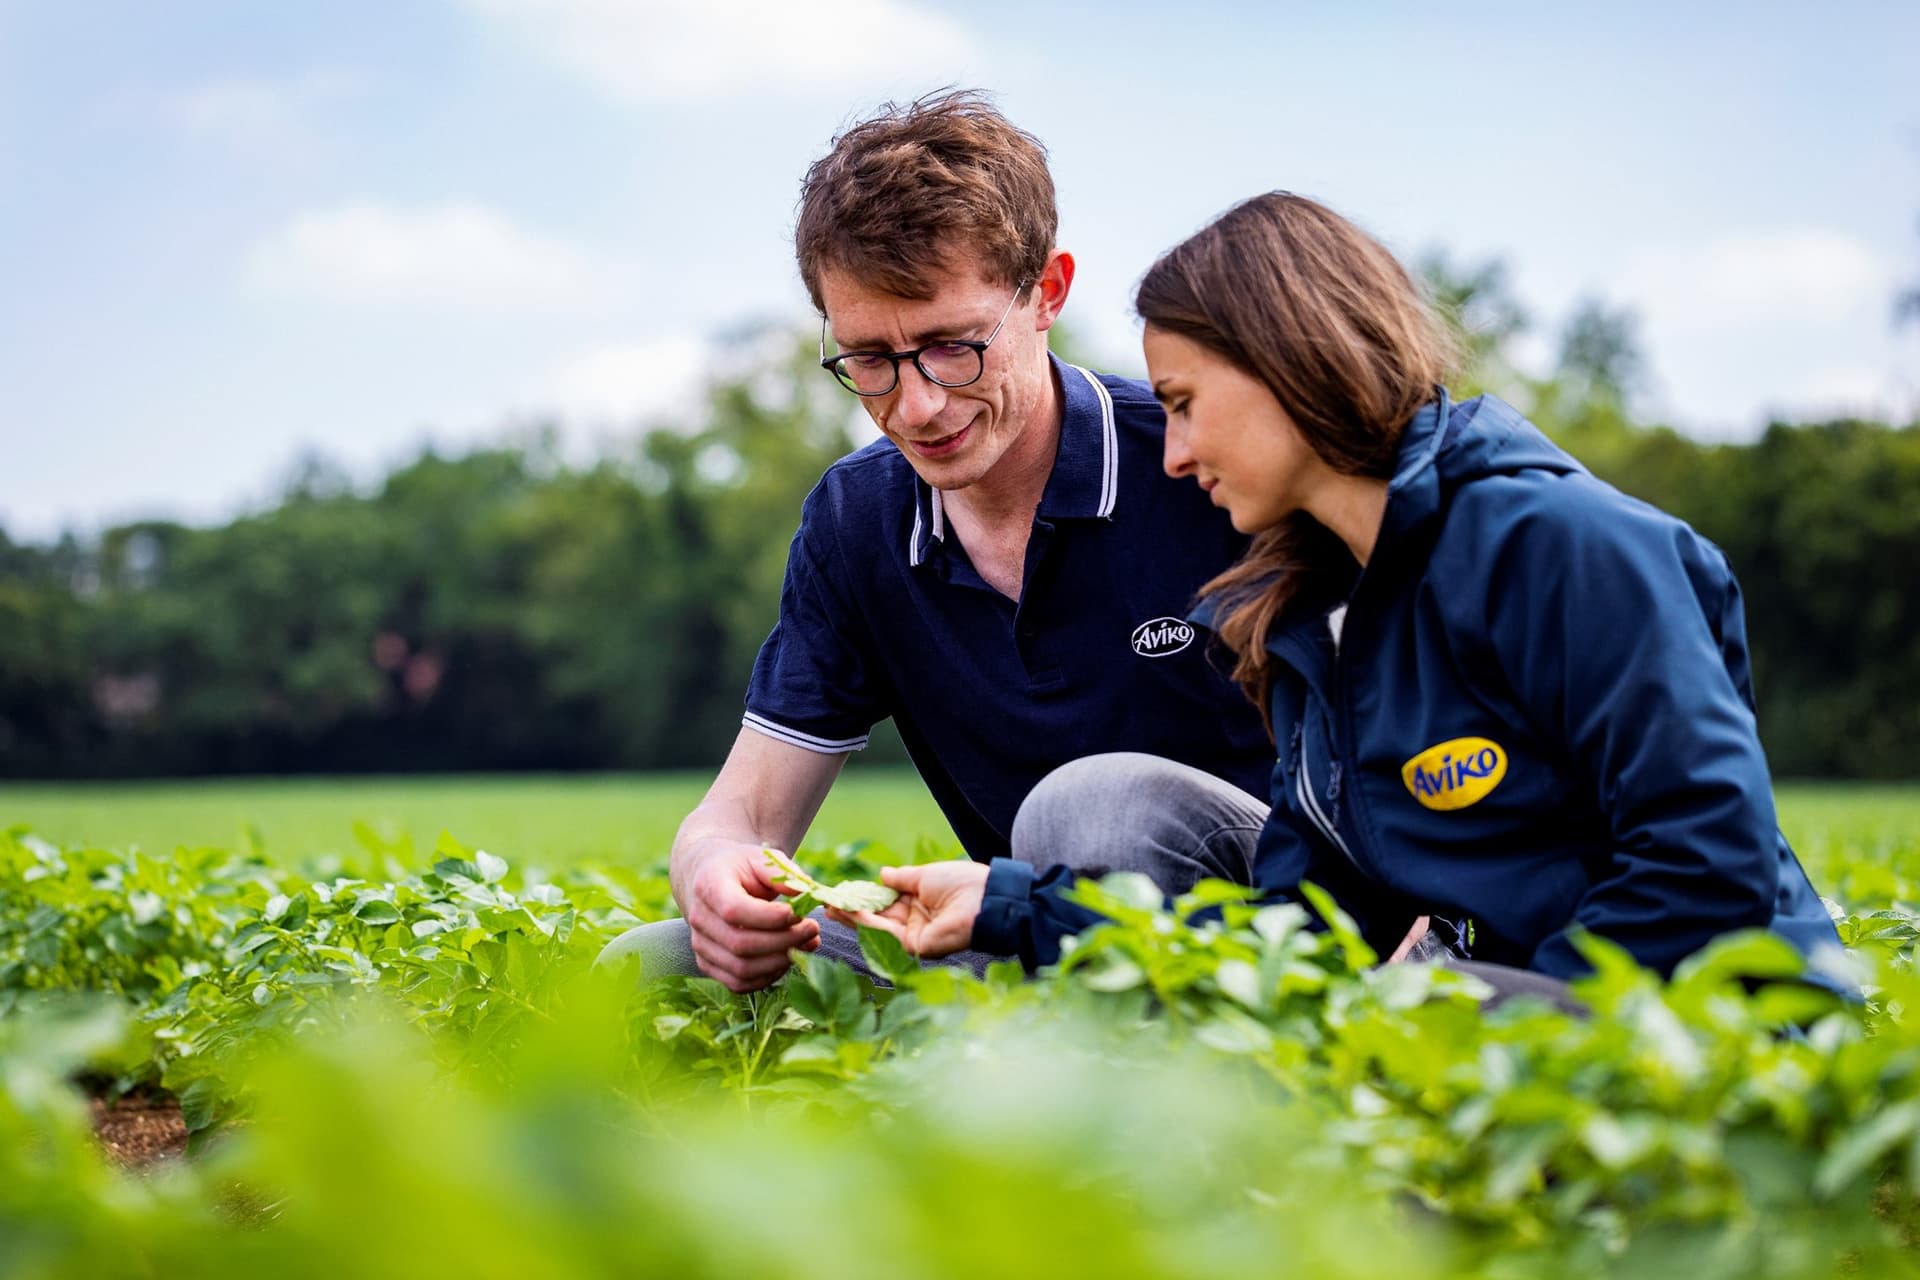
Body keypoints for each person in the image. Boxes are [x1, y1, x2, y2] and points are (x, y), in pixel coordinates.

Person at [836, 192, 1848, 1000]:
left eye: (1186, 405)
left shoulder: (1561, 547)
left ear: (1289, 362)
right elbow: (1302, 930)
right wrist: (1008, 905)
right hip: (1495, 1011)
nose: (1175, 454)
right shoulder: (1308, 617)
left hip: (1712, 1030)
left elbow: (1708, 865)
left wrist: (1455, 1012)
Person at [601, 92, 1293, 992]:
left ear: (1046, 292)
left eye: (952, 346)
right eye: (870, 361)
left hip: (1267, 935)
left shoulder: (1201, 464)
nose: (917, 405)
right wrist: (715, 876)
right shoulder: (857, 524)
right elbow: (740, 814)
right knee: (645, 971)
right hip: (1016, 935)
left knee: (1093, 807)